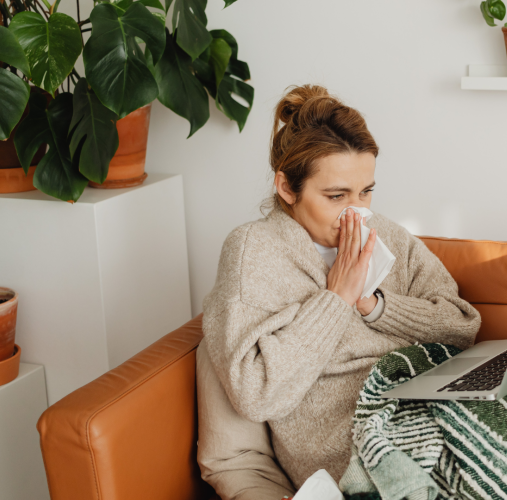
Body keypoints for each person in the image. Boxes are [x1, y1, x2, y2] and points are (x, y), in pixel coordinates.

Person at [198, 84, 481, 494]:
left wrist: (375, 306)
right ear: (287, 188)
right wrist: (336, 298)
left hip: (432, 409)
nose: (357, 213)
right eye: (336, 196)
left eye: (366, 192)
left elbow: (463, 326)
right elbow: (255, 394)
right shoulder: (254, 251)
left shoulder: (388, 237)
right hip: (355, 450)